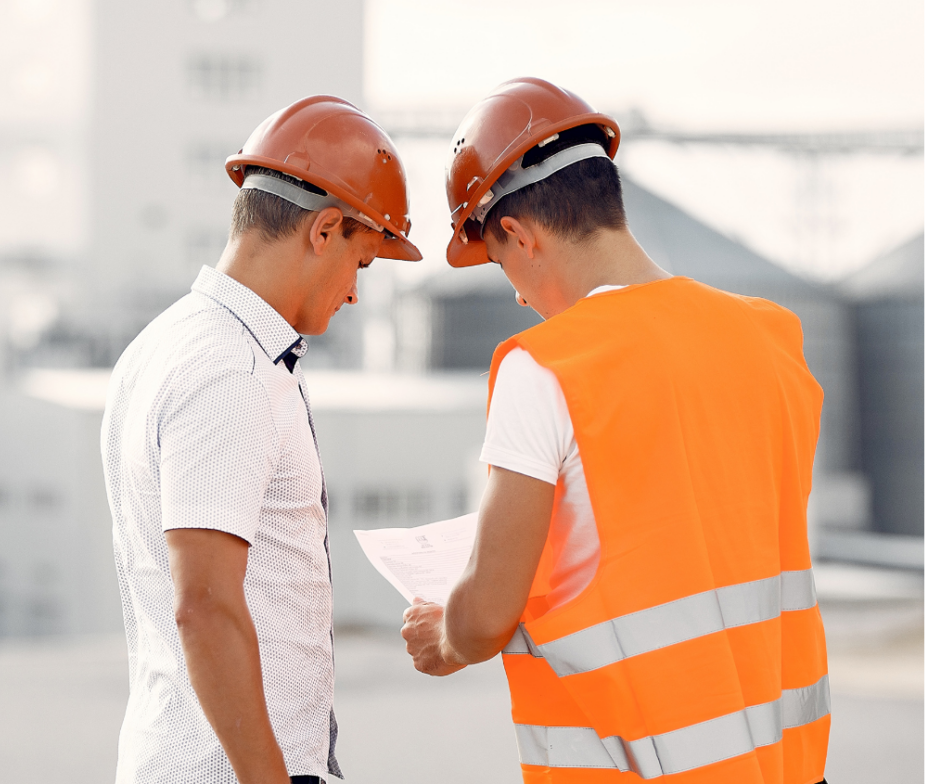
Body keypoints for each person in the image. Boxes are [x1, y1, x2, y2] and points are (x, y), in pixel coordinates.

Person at [401, 77, 830, 783]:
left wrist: (446, 631)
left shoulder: (546, 368)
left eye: (501, 262)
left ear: (517, 233)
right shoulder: (772, 338)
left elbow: (482, 617)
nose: (514, 292)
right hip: (789, 762)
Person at [101, 95, 420, 784]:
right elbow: (206, 605)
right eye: (362, 264)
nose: (357, 294)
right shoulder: (230, 372)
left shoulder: (169, 343)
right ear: (325, 229)